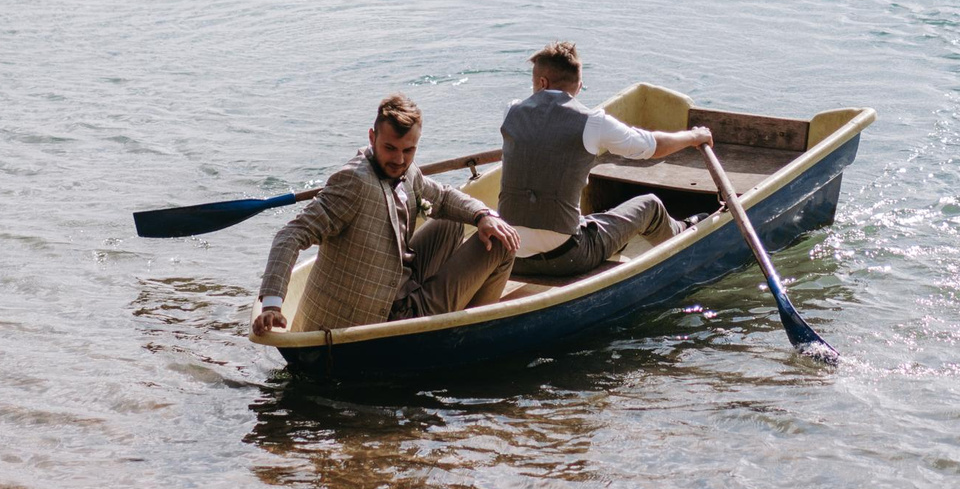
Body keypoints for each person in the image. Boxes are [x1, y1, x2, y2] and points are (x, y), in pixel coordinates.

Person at [252, 94, 518, 338]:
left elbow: (444, 197)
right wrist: (272, 304)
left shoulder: (407, 170)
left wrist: (483, 215)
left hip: (401, 284)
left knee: (457, 221)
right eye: (390, 148)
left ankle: (451, 312)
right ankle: (469, 335)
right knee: (502, 246)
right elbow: (290, 235)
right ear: (372, 137)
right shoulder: (353, 182)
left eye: (408, 150)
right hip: (384, 319)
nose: (400, 160)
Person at [496, 42, 712, 281]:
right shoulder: (591, 122)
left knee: (589, 220)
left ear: (542, 82)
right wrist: (694, 137)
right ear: (577, 86)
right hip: (565, 259)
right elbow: (652, 146)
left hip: (508, 255)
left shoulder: (511, 111)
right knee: (650, 206)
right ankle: (682, 234)